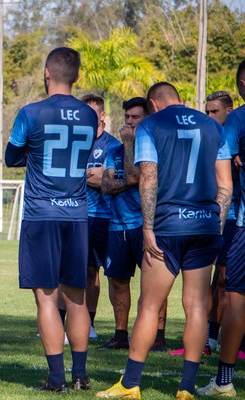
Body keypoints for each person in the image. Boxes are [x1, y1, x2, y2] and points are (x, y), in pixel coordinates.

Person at [97, 82, 232, 399]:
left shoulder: (151, 125)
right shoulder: (213, 127)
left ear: (154, 104)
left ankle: (130, 385)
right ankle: (185, 389)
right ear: (180, 101)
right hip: (206, 225)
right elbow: (225, 186)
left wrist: (147, 228)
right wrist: (217, 223)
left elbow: (148, 177)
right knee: (197, 306)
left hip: (168, 226)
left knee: (149, 306)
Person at [5, 47, 98, 393]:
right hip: (77, 213)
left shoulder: (31, 112)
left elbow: (12, 156)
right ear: (76, 76)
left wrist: (33, 148)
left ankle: (56, 378)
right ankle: (80, 375)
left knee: (46, 298)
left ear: (47, 72)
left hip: (42, 213)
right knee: (76, 298)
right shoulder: (89, 116)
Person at [197, 57, 245, 397]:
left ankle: (224, 382)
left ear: (244, 86)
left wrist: (215, 226)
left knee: (235, 299)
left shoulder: (239, 118)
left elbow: (224, 181)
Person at [170, 90, 237, 357]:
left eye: (214, 112)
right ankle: (207, 340)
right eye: (207, 111)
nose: (209, 116)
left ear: (228, 112)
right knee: (211, 284)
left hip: (232, 219)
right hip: (206, 219)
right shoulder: (208, 137)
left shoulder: (232, 136)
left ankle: (237, 342)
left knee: (226, 281)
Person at [98, 97, 147, 349]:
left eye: (135, 117)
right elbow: (106, 186)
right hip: (117, 226)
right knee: (118, 282)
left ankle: (156, 336)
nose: (129, 122)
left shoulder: (150, 149)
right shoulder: (112, 151)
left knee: (151, 284)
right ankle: (120, 335)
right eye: (127, 117)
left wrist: (129, 143)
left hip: (144, 225)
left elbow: (134, 174)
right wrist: (130, 182)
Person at [81, 93, 119, 340]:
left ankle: (113, 330)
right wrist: (93, 174)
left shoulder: (113, 145)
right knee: (81, 271)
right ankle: (82, 323)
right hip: (79, 215)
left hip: (106, 217)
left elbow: (107, 179)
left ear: (102, 116)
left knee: (110, 275)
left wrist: (88, 175)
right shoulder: (77, 141)